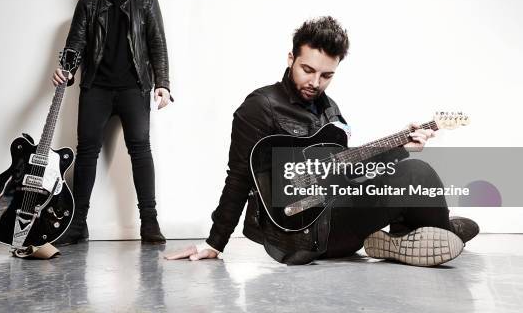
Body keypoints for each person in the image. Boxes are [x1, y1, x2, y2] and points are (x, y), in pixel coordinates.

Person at [166, 17, 478, 266]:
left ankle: (404, 236)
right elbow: (237, 178)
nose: (315, 82)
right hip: (301, 233)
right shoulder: (259, 107)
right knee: (418, 176)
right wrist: (214, 242)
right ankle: (431, 231)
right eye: (308, 70)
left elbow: (345, 171)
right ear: (291, 58)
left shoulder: (331, 111)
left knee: (410, 167)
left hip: (338, 217)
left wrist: (400, 148)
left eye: (327, 75)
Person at [53, 0, 172, 245]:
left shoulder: (146, 2)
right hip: (96, 87)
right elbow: (75, 45)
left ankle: (150, 223)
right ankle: (77, 224)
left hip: (134, 87)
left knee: (141, 150)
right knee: (86, 153)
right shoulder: (88, 2)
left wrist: (163, 84)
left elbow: (157, 44)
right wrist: (65, 71)